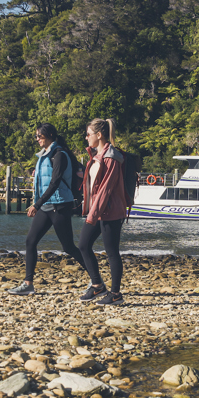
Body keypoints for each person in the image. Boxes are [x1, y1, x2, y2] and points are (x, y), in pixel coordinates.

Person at [8, 123, 88, 295]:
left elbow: (55, 182)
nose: (37, 139)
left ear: (50, 135)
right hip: (46, 206)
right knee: (30, 241)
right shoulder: (43, 156)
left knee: (68, 247)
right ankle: (28, 283)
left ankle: (96, 281)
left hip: (59, 206)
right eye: (36, 136)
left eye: (40, 136)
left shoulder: (59, 155)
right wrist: (39, 202)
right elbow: (41, 184)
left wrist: (36, 205)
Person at [77, 118, 129, 306]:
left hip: (111, 211)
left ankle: (115, 294)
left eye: (88, 134)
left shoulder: (111, 157)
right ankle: (98, 285)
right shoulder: (96, 155)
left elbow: (106, 189)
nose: (86, 137)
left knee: (112, 252)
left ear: (99, 135)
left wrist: (92, 214)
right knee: (83, 245)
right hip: (97, 210)